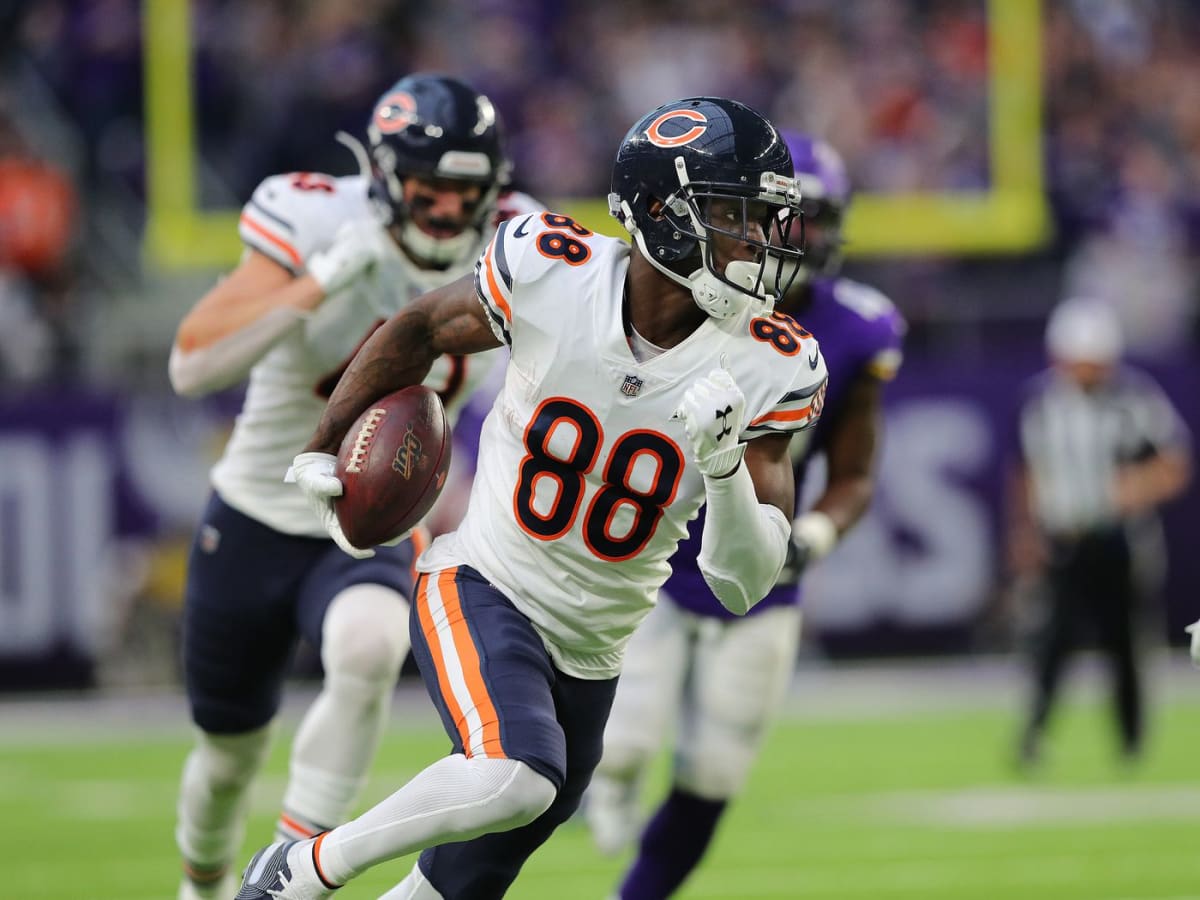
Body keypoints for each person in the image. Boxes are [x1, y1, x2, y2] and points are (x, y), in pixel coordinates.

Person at [234, 95, 827, 900]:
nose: (756, 241)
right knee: (514, 774)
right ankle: (298, 871)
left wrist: (723, 470)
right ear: (661, 214)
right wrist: (322, 441)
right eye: (732, 212)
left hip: (594, 651)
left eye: (762, 219)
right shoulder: (554, 272)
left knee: (457, 885)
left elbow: (742, 581)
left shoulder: (774, 362)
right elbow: (416, 329)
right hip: (484, 585)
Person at [167, 73, 542, 900]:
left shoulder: (520, 248)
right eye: (429, 190)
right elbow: (191, 364)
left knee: (370, 647)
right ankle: (201, 888)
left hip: (367, 524)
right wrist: (318, 283)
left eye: (466, 192)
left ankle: (284, 881)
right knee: (225, 759)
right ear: (381, 175)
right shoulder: (317, 222)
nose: (448, 211)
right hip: (257, 510)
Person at [582, 131, 905, 898]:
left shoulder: (859, 327)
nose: (808, 238)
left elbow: (853, 470)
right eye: (791, 218)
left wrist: (810, 538)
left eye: (821, 218)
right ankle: (607, 786)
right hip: (652, 558)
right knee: (621, 746)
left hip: (759, 568)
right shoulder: (669, 293)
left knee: (716, 771)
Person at [1008, 297, 1191, 769]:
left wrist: (1137, 487)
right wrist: (1025, 533)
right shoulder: (1041, 400)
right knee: (1052, 644)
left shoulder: (1133, 397)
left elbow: (1174, 463)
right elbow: (1026, 471)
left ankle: (1131, 741)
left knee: (1125, 645)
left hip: (1120, 539)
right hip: (1064, 538)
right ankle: (1033, 737)